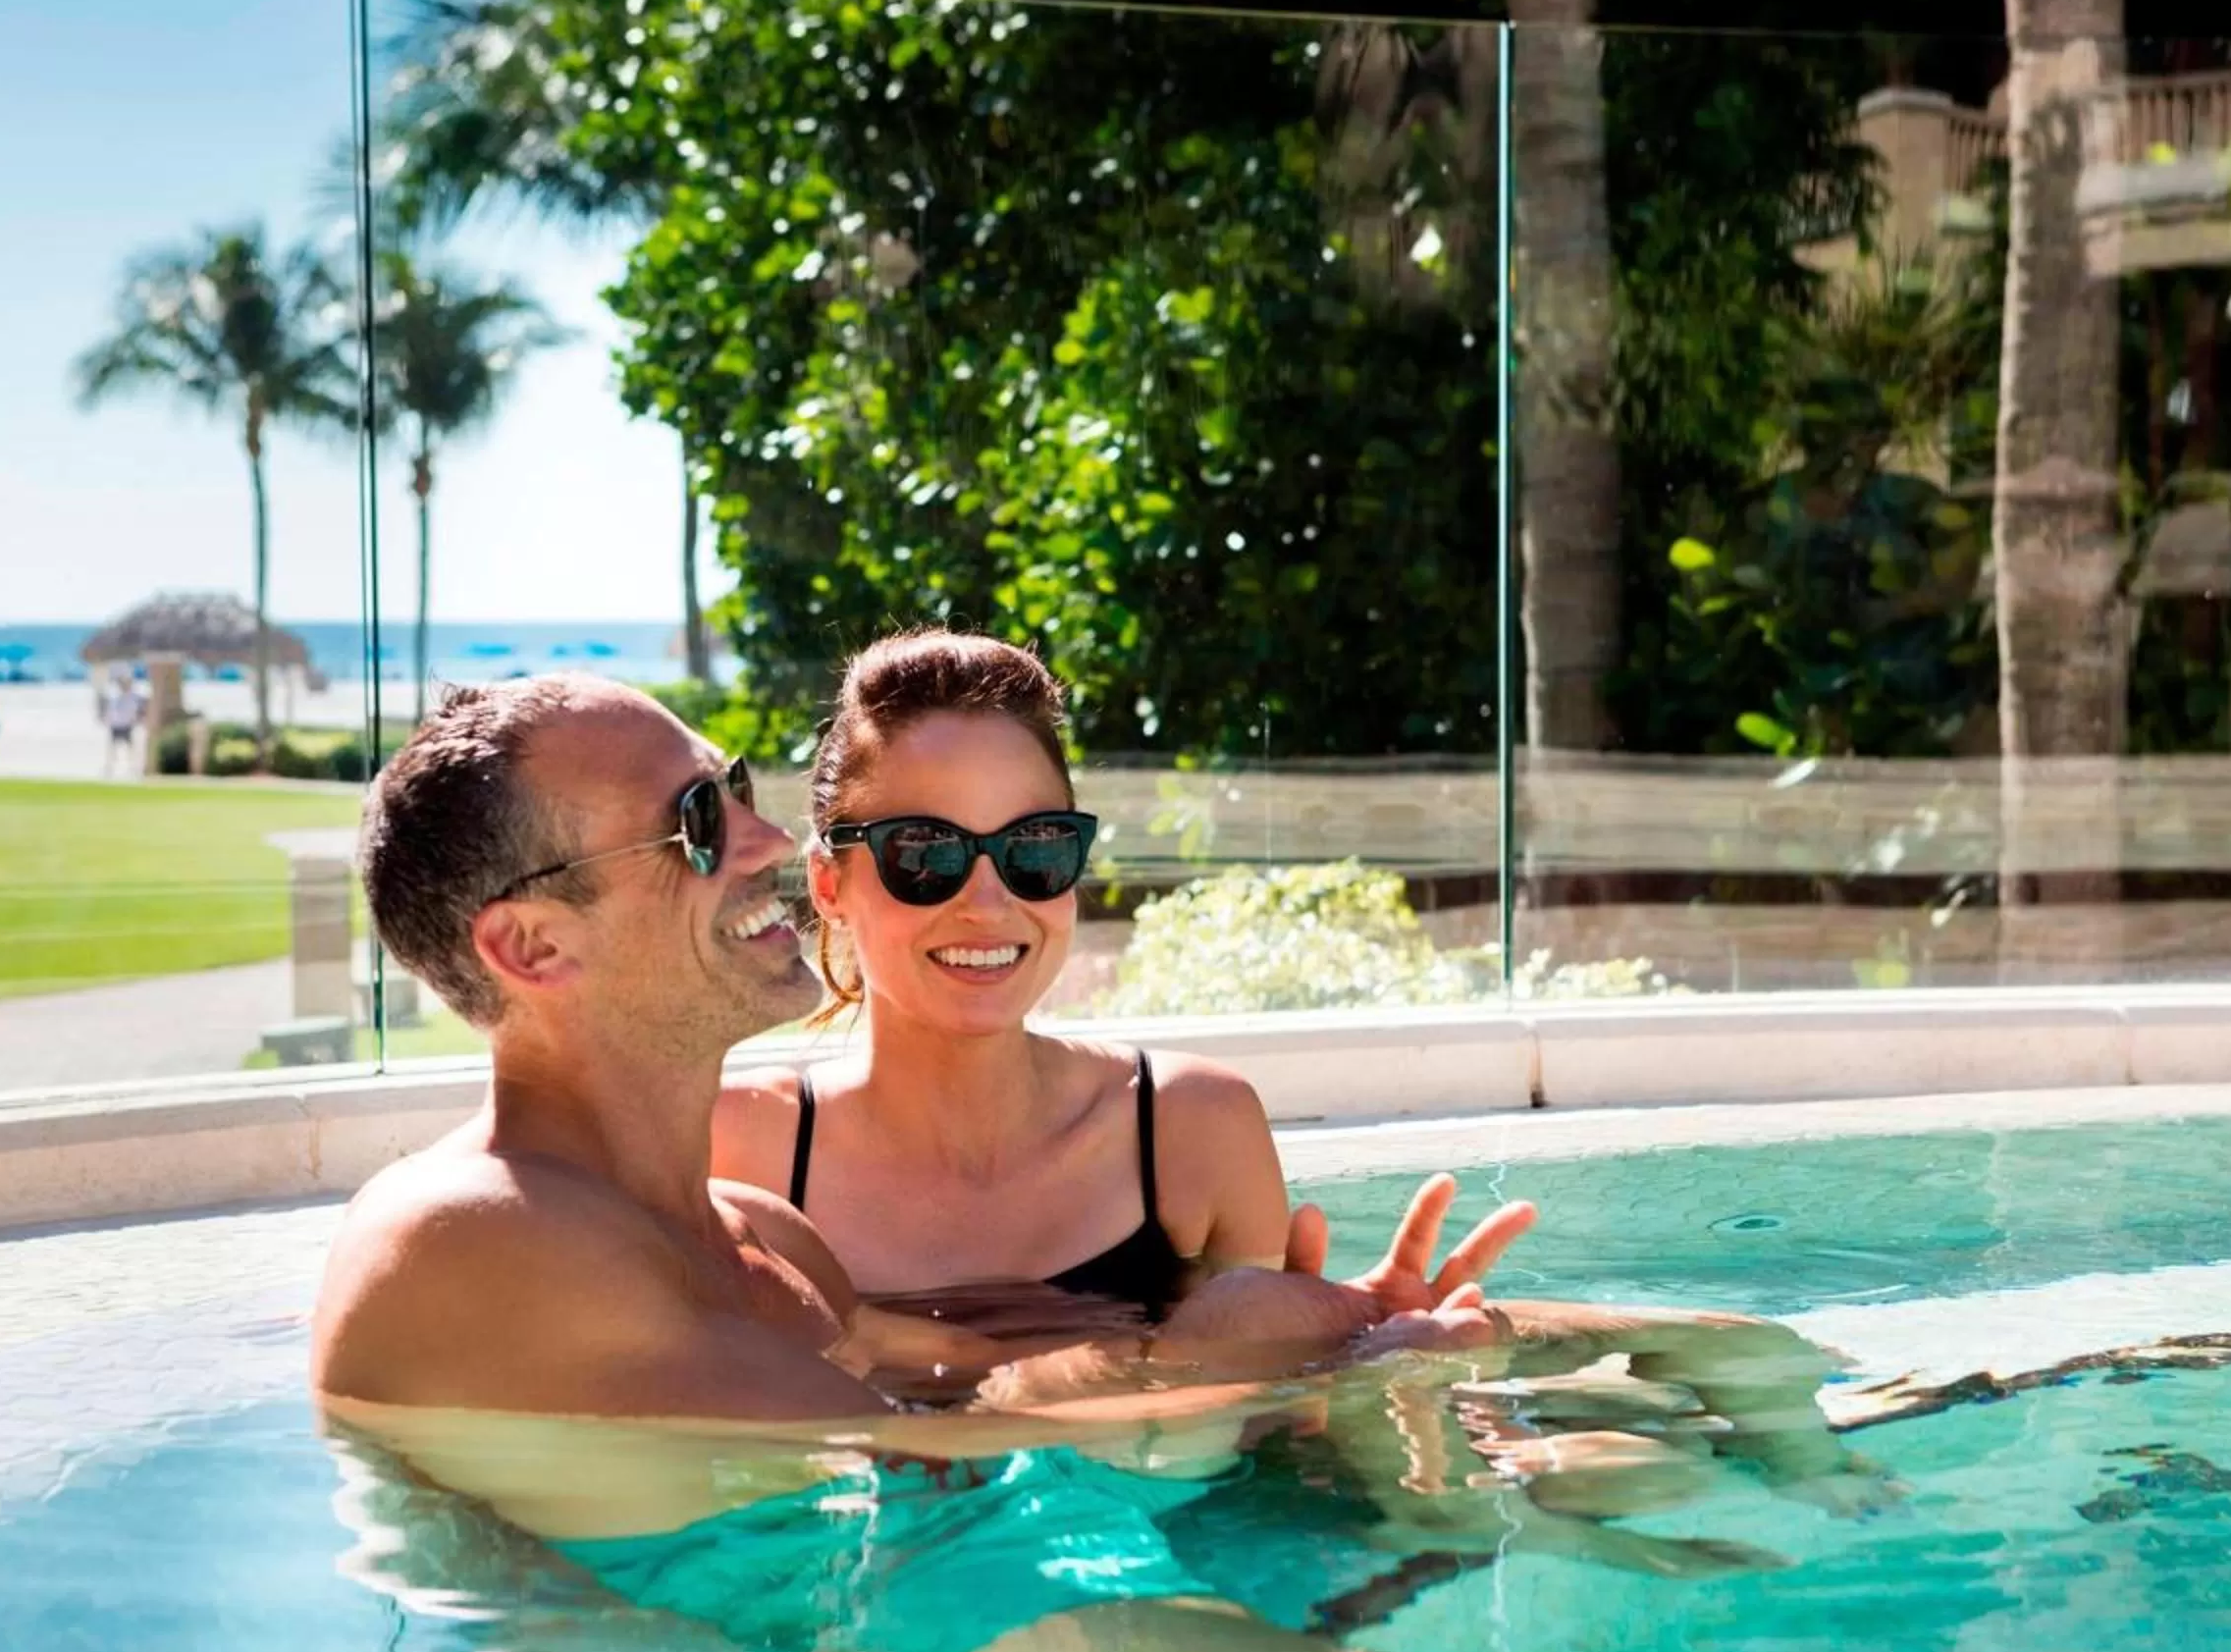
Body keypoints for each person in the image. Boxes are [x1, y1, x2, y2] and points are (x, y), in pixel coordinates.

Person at [313, 677, 1622, 1652]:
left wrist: (1355, 1343)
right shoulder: (467, 1239)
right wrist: (1206, 1351)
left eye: (746, 787)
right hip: (878, 1594)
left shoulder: (759, 1231)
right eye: (701, 825)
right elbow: (886, 1452)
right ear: (535, 950)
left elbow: (973, 1388)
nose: (775, 846)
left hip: (950, 1551)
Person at [713, 628, 1889, 1513]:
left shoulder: (1186, 1123)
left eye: (1035, 849)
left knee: (1658, 1424)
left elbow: (1272, 1446)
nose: (990, 900)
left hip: (1173, 1514)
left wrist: (1366, 1352)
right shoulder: (746, 1149)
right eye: (925, 854)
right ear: (830, 881)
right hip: (957, 1553)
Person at [99, 670, 146, 777]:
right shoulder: (115, 697)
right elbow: (110, 711)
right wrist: (107, 720)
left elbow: (141, 708)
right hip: (116, 726)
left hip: (127, 726)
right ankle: (109, 769)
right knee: (112, 750)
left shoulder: (134, 697)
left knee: (131, 750)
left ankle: (134, 769)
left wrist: (138, 719)